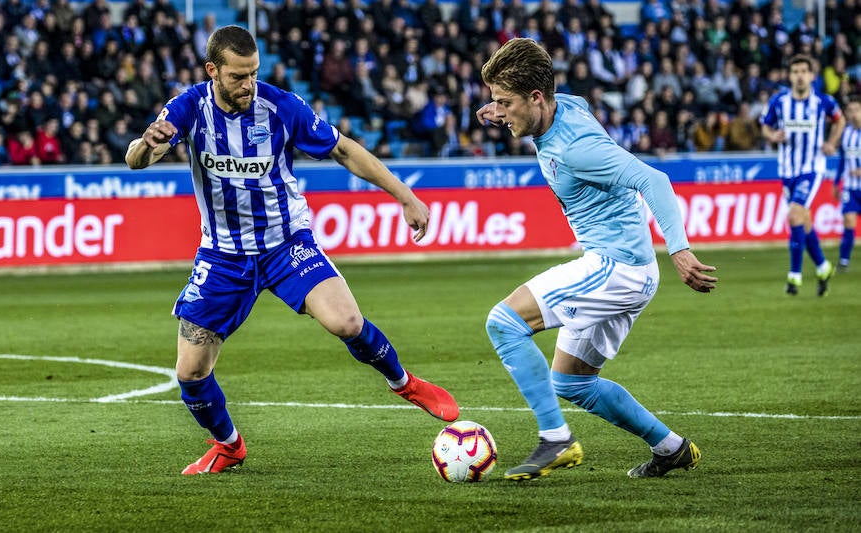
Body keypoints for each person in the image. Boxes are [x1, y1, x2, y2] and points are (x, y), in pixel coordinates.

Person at [125, 26, 459, 476]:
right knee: (190, 374)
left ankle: (405, 383)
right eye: (239, 76)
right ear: (213, 72)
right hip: (223, 255)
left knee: (347, 321)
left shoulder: (281, 106)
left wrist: (404, 195)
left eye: (254, 73)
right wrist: (149, 144)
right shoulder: (188, 107)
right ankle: (228, 445)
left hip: (287, 243)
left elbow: (344, 150)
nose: (248, 84)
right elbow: (135, 160)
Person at [476, 38, 717, 481]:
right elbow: (558, 102)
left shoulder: (577, 149)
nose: (498, 110)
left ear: (535, 98)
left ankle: (556, 439)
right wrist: (501, 111)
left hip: (615, 266)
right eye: (494, 101)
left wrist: (679, 249)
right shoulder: (562, 104)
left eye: (504, 102)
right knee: (572, 383)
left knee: (503, 322)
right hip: (630, 269)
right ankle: (671, 448)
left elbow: (655, 179)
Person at [761, 54, 845, 296]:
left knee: (795, 216)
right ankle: (823, 266)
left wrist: (831, 142)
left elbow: (839, 121)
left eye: (803, 71)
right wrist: (772, 136)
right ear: (790, 76)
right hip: (787, 170)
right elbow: (766, 126)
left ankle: (794, 276)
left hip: (811, 169)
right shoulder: (779, 102)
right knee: (804, 221)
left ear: (811, 76)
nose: (799, 75)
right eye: (795, 71)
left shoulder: (823, 101)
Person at [833, 97, 861, 272]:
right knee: (848, 221)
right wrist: (837, 182)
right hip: (850, 188)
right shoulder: (846, 134)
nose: (853, 113)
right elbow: (842, 160)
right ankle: (844, 262)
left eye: (857, 109)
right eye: (850, 110)